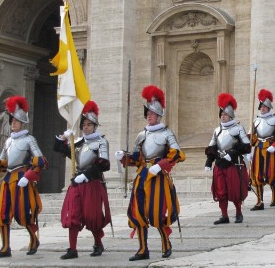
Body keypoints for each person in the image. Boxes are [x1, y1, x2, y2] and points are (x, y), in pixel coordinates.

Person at [116, 85, 186, 261]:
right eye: (147, 113)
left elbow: (177, 154)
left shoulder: (167, 133)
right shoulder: (141, 135)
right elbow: (136, 159)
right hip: (142, 176)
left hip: (158, 178)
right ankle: (142, 249)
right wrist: (123, 157)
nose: (149, 115)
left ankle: (166, 244)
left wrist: (160, 165)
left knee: (157, 212)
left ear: (159, 114)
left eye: (152, 113)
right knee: (137, 212)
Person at [0, 96, 47, 258]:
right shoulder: (8, 141)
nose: (13, 123)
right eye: (12, 121)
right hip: (7, 180)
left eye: (16, 121)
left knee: (24, 213)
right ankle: (5, 247)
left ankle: (33, 240)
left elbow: (41, 161)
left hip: (22, 180)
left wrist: (29, 176)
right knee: (2, 212)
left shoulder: (29, 139)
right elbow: (4, 163)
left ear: (22, 123)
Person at [53, 100, 112, 260]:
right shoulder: (77, 143)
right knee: (73, 215)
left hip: (92, 182)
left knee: (92, 216)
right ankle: (72, 248)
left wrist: (86, 175)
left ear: (95, 126)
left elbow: (104, 164)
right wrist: (62, 137)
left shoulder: (101, 142)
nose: (86, 127)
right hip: (77, 183)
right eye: (84, 124)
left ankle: (98, 243)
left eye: (89, 124)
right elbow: (59, 149)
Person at [205, 93, 251, 224]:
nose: (222, 116)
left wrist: (232, 153)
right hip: (219, 164)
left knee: (235, 191)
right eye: (221, 114)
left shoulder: (238, 128)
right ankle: (224, 215)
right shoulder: (217, 130)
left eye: (225, 114)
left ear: (230, 115)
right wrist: (209, 162)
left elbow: (246, 146)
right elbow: (212, 147)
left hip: (233, 164)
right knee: (220, 191)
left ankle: (238, 213)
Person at [249, 89, 275, 210]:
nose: (263, 108)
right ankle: (259, 201)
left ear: (269, 107)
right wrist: (248, 150)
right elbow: (250, 137)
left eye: (265, 106)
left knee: (271, 173)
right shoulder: (255, 121)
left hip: (271, 148)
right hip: (259, 149)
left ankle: (274, 196)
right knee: (257, 174)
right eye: (261, 106)